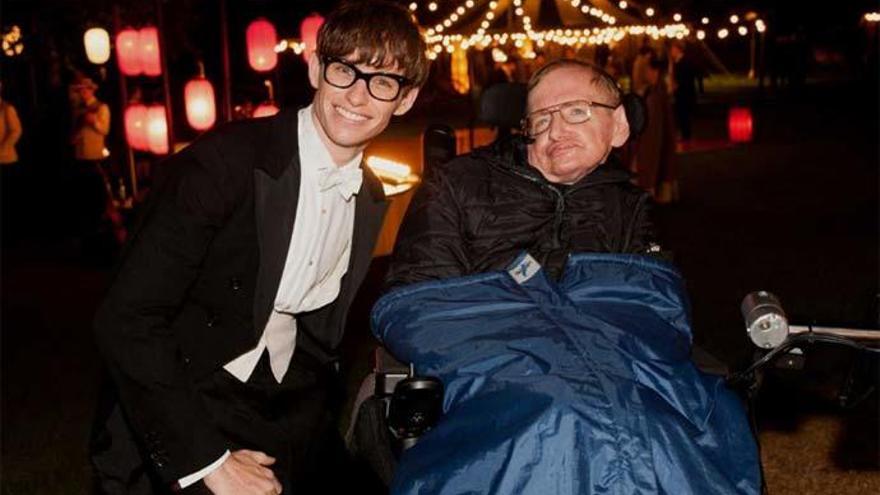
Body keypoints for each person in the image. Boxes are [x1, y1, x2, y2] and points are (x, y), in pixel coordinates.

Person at [91, 2, 428, 494]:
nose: (358, 94)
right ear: (316, 69)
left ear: (405, 99)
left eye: (383, 80)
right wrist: (209, 463)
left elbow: (321, 336)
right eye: (344, 71)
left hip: (287, 406)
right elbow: (125, 318)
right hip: (181, 396)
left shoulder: (371, 195)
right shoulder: (223, 165)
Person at [386, 59, 655, 288]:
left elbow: (649, 310)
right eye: (542, 119)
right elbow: (422, 303)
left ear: (619, 125)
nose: (557, 131)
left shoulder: (631, 207)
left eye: (576, 111)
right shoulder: (455, 186)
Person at [69, 76, 112, 241]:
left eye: (85, 89)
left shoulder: (101, 107)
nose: (83, 93)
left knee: (97, 189)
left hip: (94, 155)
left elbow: (105, 129)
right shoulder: (79, 109)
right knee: (84, 190)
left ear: (92, 90)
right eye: (80, 90)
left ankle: (100, 220)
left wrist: (94, 121)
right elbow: (77, 131)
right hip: (81, 155)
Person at [633, 56, 678, 203]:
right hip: (654, 138)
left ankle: (655, 191)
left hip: (653, 138)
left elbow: (654, 124)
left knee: (654, 161)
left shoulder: (656, 94)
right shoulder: (652, 92)